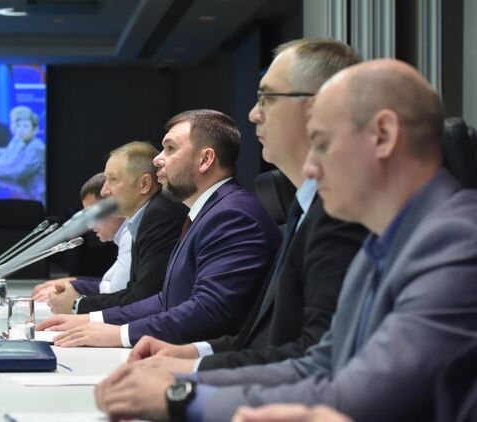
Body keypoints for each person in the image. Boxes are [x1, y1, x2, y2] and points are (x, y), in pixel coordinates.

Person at [94, 59, 477, 421]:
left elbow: (365, 396)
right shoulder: (381, 245)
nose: (310, 167)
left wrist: (181, 397)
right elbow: (318, 365)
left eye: (322, 144)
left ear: (383, 135)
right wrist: (181, 380)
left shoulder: (456, 242)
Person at [125, 39, 367, 374]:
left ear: (319, 107)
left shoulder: (341, 217)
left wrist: (186, 382)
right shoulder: (302, 210)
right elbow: (264, 338)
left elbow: (315, 357)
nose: (254, 113)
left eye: (267, 98)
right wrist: (193, 355)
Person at [38, 110, 281, 347]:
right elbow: (168, 299)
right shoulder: (207, 213)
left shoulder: (231, 215)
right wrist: (93, 319)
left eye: (170, 148)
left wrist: (119, 334)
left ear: (205, 160)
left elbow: (210, 310)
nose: (157, 160)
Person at [43, 143, 187, 315]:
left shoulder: (159, 214)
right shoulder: (145, 215)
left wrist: (77, 305)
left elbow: (144, 299)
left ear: (144, 184)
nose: (104, 191)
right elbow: (134, 292)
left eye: (113, 179)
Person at [32, 172, 131, 302]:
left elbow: (117, 294)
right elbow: (110, 284)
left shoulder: (131, 236)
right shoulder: (125, 236)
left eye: (93, 214)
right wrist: (73, 281)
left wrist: (75, 290)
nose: (89, 224)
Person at [0, 106, 47, 201]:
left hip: (36, 197)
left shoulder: (36, 146)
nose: (21, 130)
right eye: (18, 126)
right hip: (23, 193)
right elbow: (7, 160)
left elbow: (18, 172)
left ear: (35, 130)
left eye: (25, 126)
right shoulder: (20, 141)